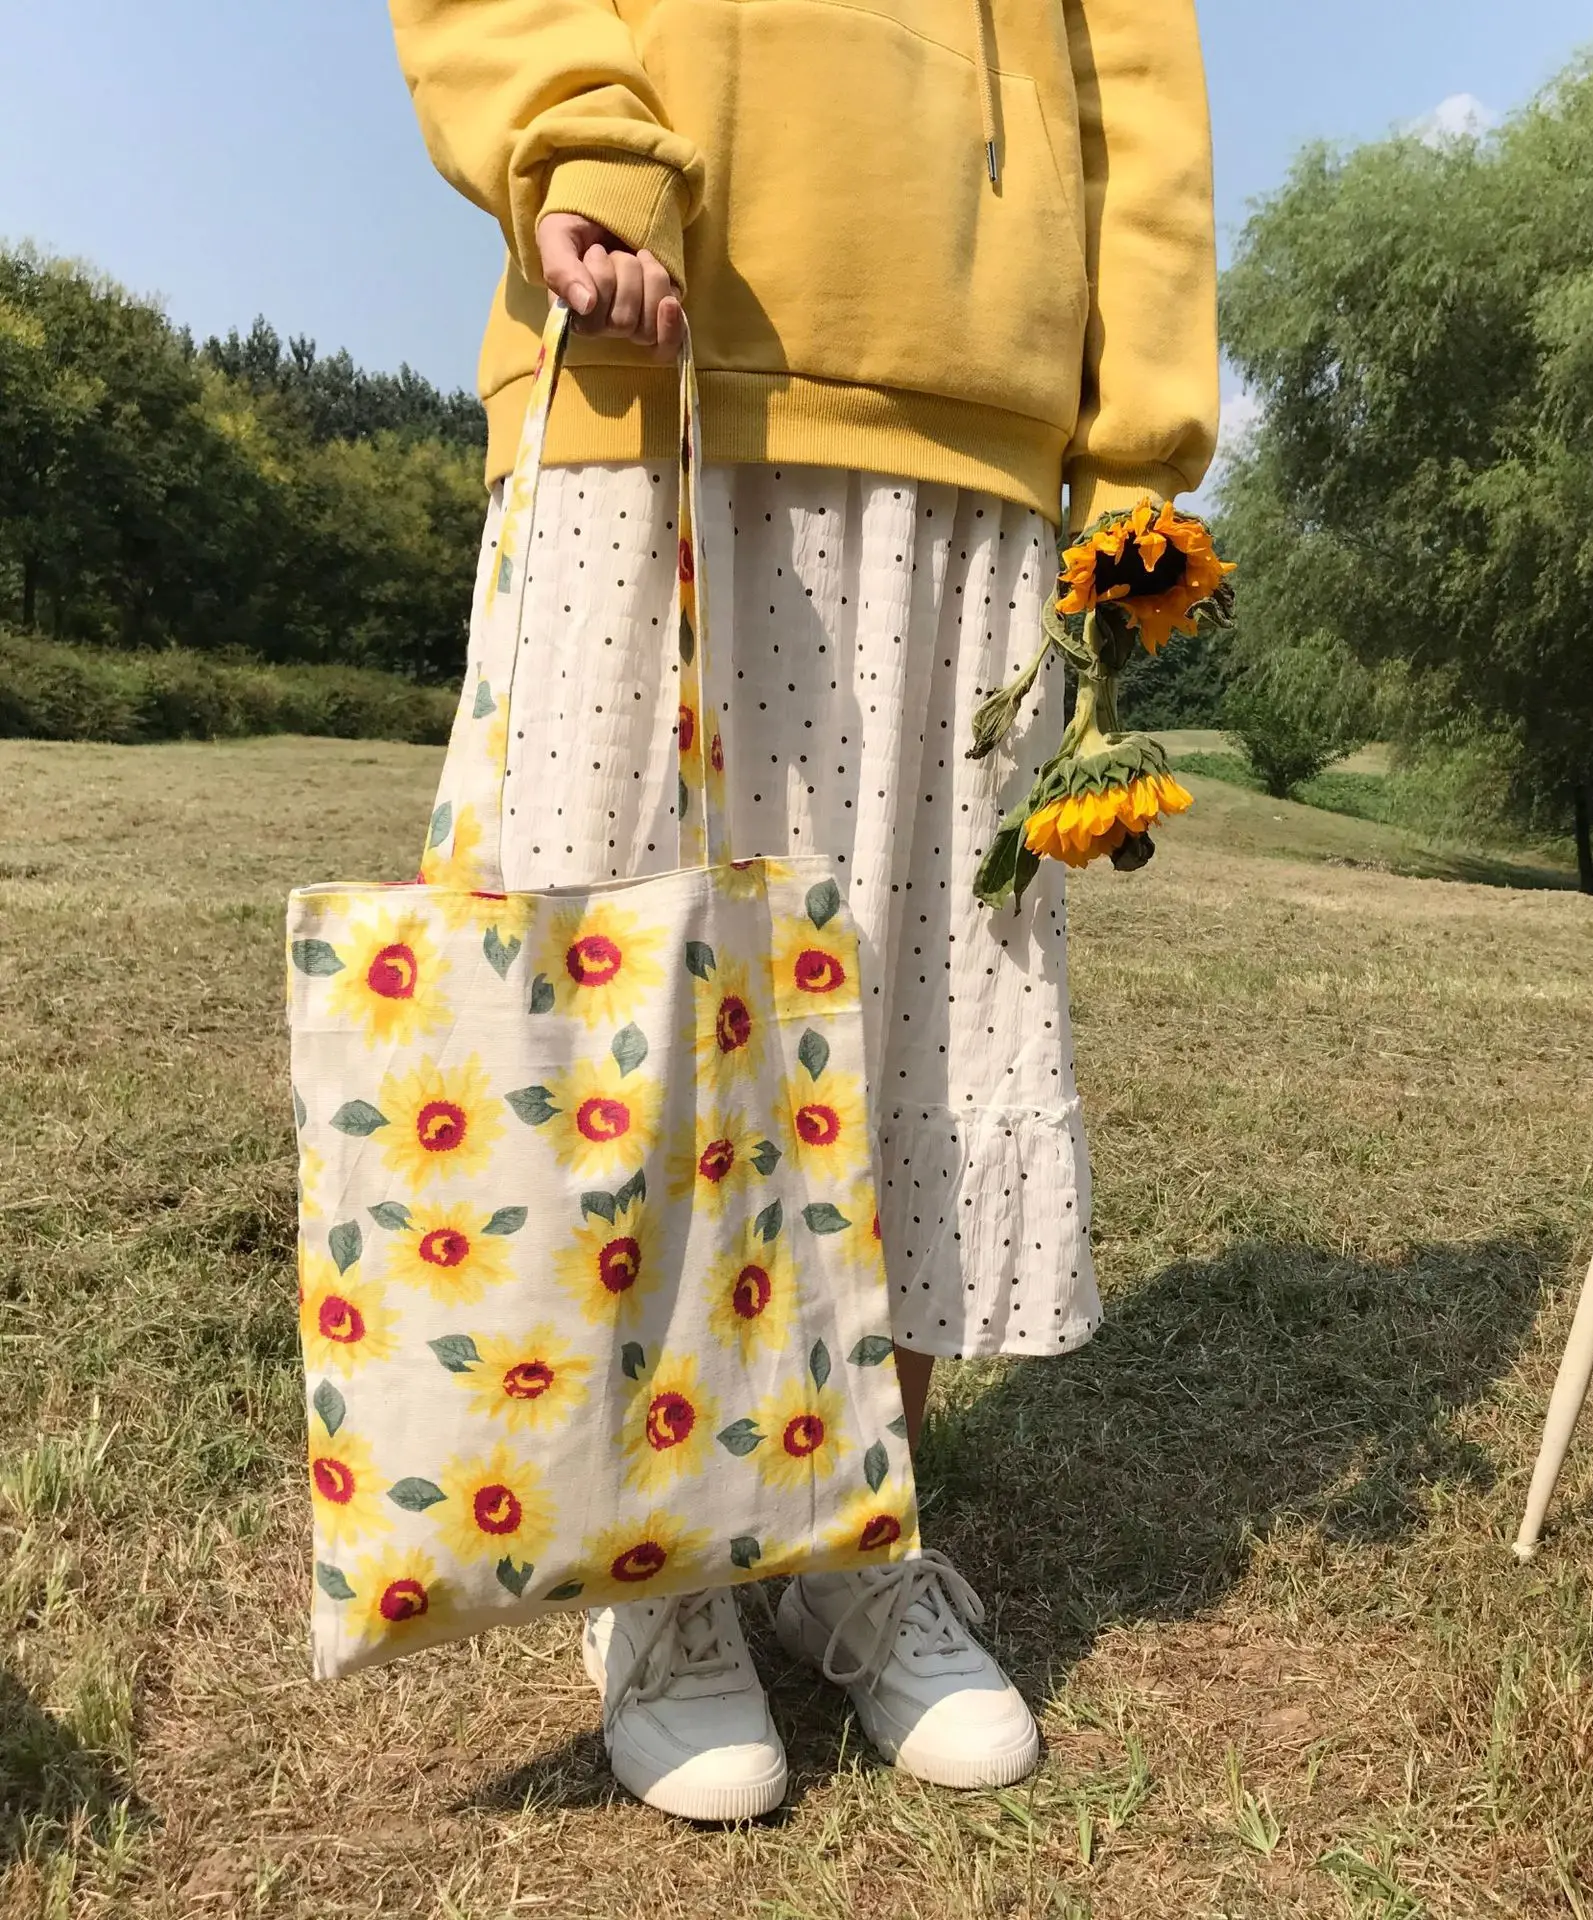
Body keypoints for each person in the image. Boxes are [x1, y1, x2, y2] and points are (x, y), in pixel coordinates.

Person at [389, 0, 1218, 1820]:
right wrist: (576, 135)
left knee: (915, 1007)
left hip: (976, 416)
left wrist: (1136, 450)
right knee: (628, 998)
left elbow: (1132, 76)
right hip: (652, 346)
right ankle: (655, 1566)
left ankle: (851, 1525)